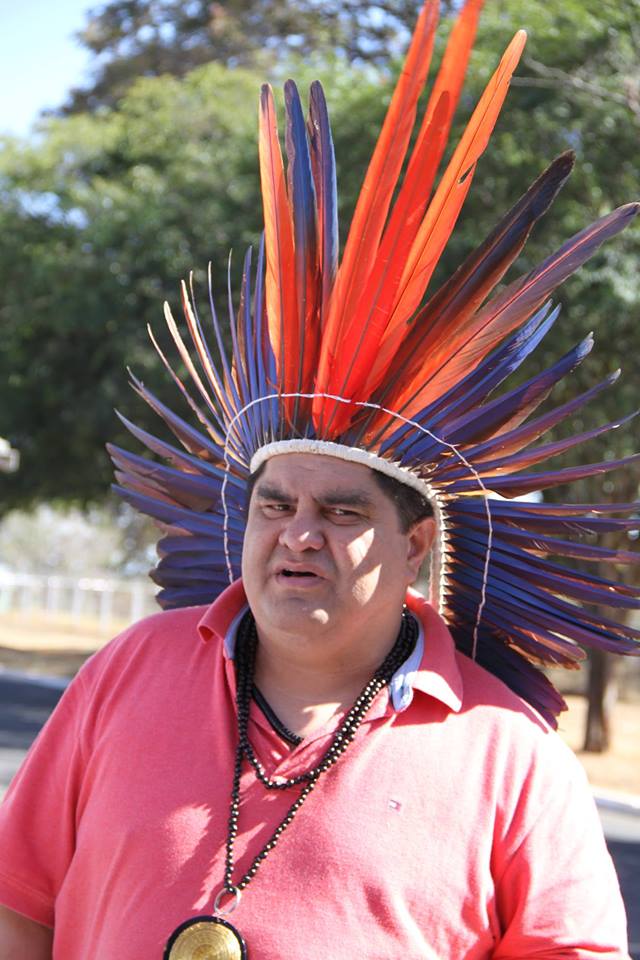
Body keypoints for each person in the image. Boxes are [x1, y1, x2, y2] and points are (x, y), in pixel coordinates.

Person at [0, 0, 638, 957]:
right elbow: (20, 904)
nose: (298, 533)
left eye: (341, 512)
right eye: (276, 504)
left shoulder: (509, 751)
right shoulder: (126, 671)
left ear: (414, 544)